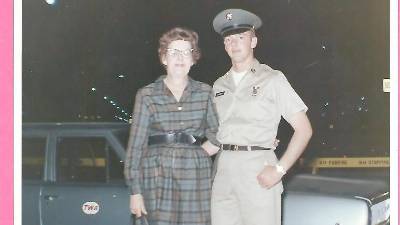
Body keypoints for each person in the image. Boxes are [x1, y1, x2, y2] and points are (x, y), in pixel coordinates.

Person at [210, 9, 313, 225]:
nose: (234, 44)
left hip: (258, 169)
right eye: (229, 39)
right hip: (223, 172)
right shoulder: (219, 85)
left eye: (241, 37)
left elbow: (304, 130)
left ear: (253, 41)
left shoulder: (272, 79)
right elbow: (218, 137)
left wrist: (279, 170)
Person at [124, 27, 220, 225]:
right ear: (163, 58)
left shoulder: (205, 92)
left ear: (193, 59)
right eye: (173, 52)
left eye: (186, 52)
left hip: (195, 176)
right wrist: (135, 191)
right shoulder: (146, 94)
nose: (180, 57)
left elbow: (218, 133)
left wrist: (198, 153)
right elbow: (136, 146)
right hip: (156, 175)